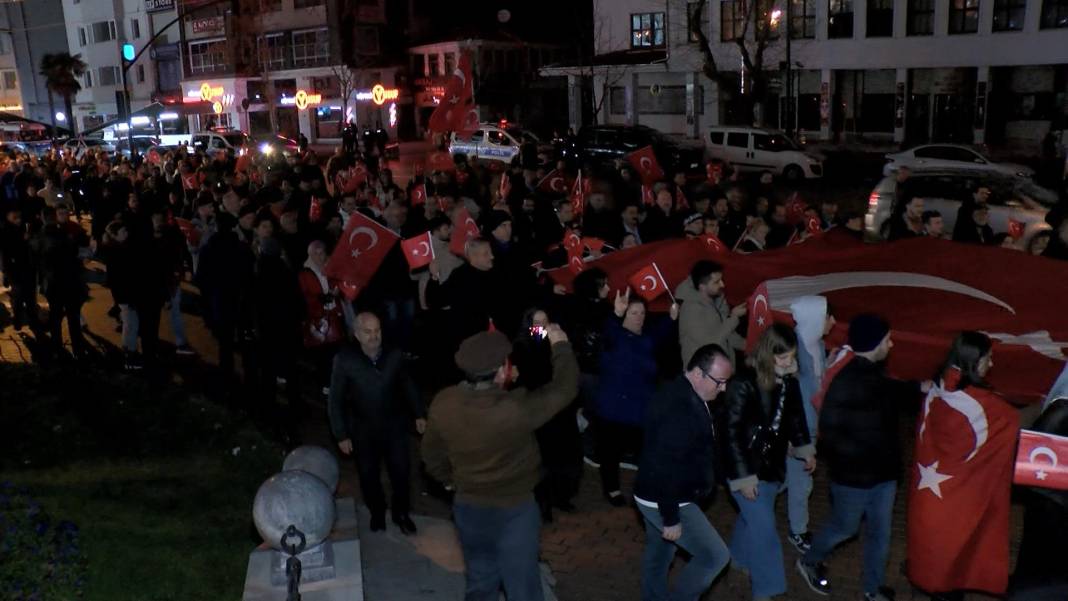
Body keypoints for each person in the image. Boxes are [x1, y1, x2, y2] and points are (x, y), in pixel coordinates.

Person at [421, 325, 579, 601]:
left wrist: (450, 481)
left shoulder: (443, 403)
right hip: (515, 510)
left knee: (481, 581)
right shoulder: (515, 408)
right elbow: (565, 388)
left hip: (469, 509)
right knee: (522, 585)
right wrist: (561, 346)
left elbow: (431, 455)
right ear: (501, 370)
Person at [797, 314, 927, 601]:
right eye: (887, 339)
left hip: (883, 476)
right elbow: (830, 431)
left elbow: (896, 392)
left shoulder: (874, 375)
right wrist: (854, 461)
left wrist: (922, 388)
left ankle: (873, 588)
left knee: (881, 535)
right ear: (874, 343)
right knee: (844, 527)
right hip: (854, 480)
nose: (891, 345)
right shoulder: (850, 381)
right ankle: (809, 560)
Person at [907, 332, 1019, 600]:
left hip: (930, 497)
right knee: (953, 558)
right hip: (957, 500)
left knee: (932, 553)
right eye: (988, 359)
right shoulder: (982, 406)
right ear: (975, 361)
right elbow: (1009, 421)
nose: (991, 365)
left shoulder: (939, 389)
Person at [633, 344, 734, 601]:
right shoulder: (680, 407)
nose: (723, 388)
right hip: (667, 498)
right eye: (719, 382)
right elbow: (665, 465)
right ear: (699, 373)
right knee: (715, 556)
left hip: (655, 493)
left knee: (659, 555)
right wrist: (671, 517)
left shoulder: (684, 392)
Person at [724, 323, 815, 601]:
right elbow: (731, 433)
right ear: (768, 354)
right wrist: (744, 477)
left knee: (753, 518)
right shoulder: (743, 383)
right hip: (747, 467)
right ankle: (767, 590)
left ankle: (737, 558)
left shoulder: (789, 381)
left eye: (791, 356)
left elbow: (796, 418)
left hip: (772, 466)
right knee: (765, 531)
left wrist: (804, 449)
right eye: (783, 357)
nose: (789, 362)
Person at [329, 312, 425, 535]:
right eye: (368, 331)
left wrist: (419, 413)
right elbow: (335, 399)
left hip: (395, 426)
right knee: (368, 475)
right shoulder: (345, 359)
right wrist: (341, 434)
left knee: (401, 472)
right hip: (363, 429)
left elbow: (408, 384)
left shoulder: (394, 354)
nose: (374, 336)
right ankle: (377, 512)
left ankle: (401, 513)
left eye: (377, 330)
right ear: (357, 334)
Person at [595, 289, 679, 506]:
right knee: (610, 452)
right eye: (633, 313)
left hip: (641, 408)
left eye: (642, 313)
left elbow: (659, 335)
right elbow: (609, 332)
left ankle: (644, 491)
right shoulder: (615, 337)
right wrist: (615, 313)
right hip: (614, 408)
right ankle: (612, 489)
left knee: (646, 452)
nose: (639, 317)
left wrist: (671, 317)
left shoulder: (646, 339)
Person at [513, 307, 582, 521]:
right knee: (544, 461)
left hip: (562, 411)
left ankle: (562, 496)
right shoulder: (523, 347)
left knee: (566, 458)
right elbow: (530, 378)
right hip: (541, 410)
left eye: (546, 321)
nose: (543, 326)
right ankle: (544, 505)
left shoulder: (556, 344)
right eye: (538, 322)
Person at [784, 296, 835, 553]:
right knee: (801, 483)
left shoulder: (816, 345)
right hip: (800, 428)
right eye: (828, 316)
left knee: (791, 479)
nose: (833, 322)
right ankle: (798, 531)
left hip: (811, 424)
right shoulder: (794, 352)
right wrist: (796, 439)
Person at [674, 260, 746, 366]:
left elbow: (728, 335)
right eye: (717, 282)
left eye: (721, 280)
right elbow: (709, 344)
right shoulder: (691, 309)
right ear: (702, 286)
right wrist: (734, 317)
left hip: (721, 371)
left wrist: (753, 347)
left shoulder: (717, 301)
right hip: (702, 375)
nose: (722, 284)